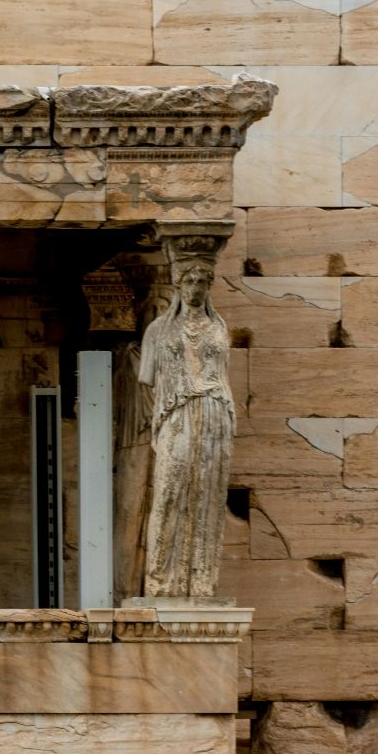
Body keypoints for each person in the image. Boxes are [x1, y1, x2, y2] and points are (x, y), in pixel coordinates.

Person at [138, 254, 236, 598]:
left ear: (209, 287)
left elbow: (221, 376)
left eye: (202, 282)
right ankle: (161, 581)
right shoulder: (158, 330)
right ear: (178, 286)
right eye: (189, 281)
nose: (195, 288)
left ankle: (200, 581)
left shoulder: (219, 329)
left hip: (213, 413)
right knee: (168, 491)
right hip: (175, 414)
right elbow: (147, 380)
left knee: (207, 493)